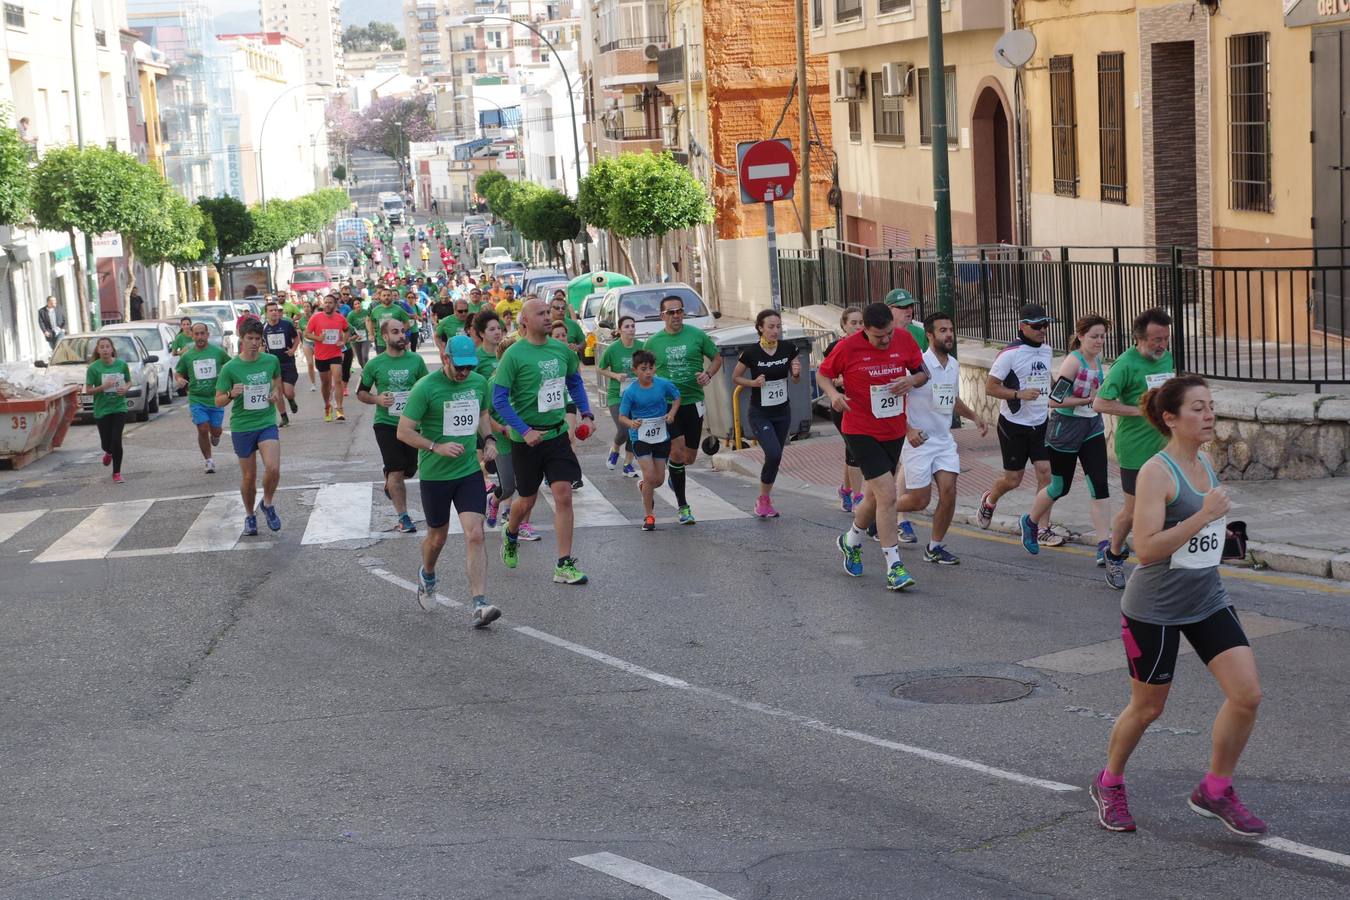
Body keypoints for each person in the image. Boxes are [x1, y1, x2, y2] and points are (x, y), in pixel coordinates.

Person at [1090, 375, 1266, 838]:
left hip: (1207, 598)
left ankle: (1215, 789)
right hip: (1155, 608)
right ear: (1171, 418)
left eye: (1211, 406)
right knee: (1148, 709)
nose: (1209, 415)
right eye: (1198, 408)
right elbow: (1146, 549)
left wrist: (1224, 537)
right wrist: (1203, 516)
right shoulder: (1155, 472)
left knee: (1247, 695)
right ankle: (1109, 782)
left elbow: (1200, 537)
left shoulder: (1205, 462)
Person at [816, 302, 927, 591]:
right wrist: (832, 394)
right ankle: (895, 567)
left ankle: (850, 540)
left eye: (889, 333)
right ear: (865, 329)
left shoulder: (904, 338)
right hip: (859, 429)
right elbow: (822, 374)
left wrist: (910, 380)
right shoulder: (848, 347)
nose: (886, 340)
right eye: (879, 337)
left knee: (875, 497)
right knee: (888, 495)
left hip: (892, 429)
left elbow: (922, 372)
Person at [397, 334, 501, 626]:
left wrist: (489, 438)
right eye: (460, 367)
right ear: (446, 359)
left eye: (469, 367)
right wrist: (435, 446)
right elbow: (403, 431)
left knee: (476, 532)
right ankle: (427, 574)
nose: (465, 373)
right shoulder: (425, 388)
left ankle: (480, 603)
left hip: (468, 471)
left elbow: (482, 413)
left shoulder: (478, 383)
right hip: (435, 475)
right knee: (437, 538)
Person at [492, 298, 595, 585]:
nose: (548, 317)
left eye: (549, 312)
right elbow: (499, 399)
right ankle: (511, 533)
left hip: (556, 434)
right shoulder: (514, 355)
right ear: (524, 321)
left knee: (563, 494)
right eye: (541, 313)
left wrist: (586, 413)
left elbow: (574, 381)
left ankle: (564, 564)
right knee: (526, 500)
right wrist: (524, 430)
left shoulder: (561, 350)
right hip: (526, 440)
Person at [895, 312, 987, 565]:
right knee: (918, 500)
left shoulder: (954, 365)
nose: (949, 334)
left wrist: (974, 416)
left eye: (950, 329)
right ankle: (879, 510)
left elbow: (951, 398)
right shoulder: (916, 366)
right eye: (943, 330)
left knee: (949, 492)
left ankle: (934, 547)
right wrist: (908, 430)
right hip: (919, 442)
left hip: (944, 441)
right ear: (930, 335)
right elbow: (895, 401)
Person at [1094, 307, 1176, 590]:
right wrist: (1140, 411)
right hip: (1135, 451)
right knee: (1132, 512)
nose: (1162, 345)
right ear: (1139, 338)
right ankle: (1114, 555)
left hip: (1166, 448)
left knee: (1169, 505)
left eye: (1165, 338)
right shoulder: (1124, 365)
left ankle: (1159, 562)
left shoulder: (1165, 357)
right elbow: (1100, 403)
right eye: (1156, 339)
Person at [1023, 315, 1112, 560]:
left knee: (1099, 485)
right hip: (1066, 429)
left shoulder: (1099, 359)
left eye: (1102, 336)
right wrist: (1088, 400)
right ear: (1081, 336)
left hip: (1092, 427)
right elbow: (1054, 400)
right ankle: (1030, 522)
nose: (1099, 341)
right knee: (1059, 487)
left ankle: (1104, 546)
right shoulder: (1073, 363)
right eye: (1094, 336)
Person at [977, 303, 1055, 541]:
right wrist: (1018, 394)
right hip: (1013, 424)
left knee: (1046, 472)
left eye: (1046, 325)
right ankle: (990, 500)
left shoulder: (1047, 350)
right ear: (1022, 326)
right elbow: (990, 387)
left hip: (1040, 421)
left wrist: (1057, 389)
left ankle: (1041, 527)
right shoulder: (1009, 353)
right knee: (1013, 479)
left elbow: (1046, 378)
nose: (1042, 330)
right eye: (1037, 326)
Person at [643, 294, 722, 524]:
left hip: (693, 402)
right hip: (667, 406)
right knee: (676, 451)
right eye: (671, 312)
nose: (676, 316)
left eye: (679, 311)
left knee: (688, 458)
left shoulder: (697, 335)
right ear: (662, 316)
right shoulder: (653, 342)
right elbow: (644, 372)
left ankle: (674, 473)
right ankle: (683, 506)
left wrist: (707, 374)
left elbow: (717, 358)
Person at [359, 319, 430, 534]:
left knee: (409, 470)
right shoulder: (375, 364)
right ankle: (403, 517)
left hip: (411, 425)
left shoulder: (416, 361)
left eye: (403, 331)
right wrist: (377, 399)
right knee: (397, 470)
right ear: (385, 337)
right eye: (395, 332)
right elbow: (361, 393)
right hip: (386, 424)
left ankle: (389, 477)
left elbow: (428, 389)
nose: (401, 335)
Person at [215, 319, 283, 536]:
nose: (254, 343)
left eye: (257, 339)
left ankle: (268, 504)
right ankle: (250, 515)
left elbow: (277, 384)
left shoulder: (271, 360)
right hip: (242, 426)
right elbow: (218, 401)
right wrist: (230, 394)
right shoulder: (230, 368)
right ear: (241, 340)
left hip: (266, 422)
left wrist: (275, 395)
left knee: (273, 468)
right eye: (250, 339)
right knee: (249, 478)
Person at [732, 309, 801, 518]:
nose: (775, 331)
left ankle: (764, 499)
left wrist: (796, 373)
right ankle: (762, 499)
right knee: (773, 453)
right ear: (760, 328)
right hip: (760, 413)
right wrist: (753, 383)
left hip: (782, 411)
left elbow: (795, 379)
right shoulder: (751, 353)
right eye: (770, 327)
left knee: (775, 457)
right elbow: (736, 377)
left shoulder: (789, 348)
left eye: (778, 326)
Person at [619, 349, 681, 531]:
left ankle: (643, 486)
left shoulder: (663, 384)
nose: (648, 372)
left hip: (661, 435)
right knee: (650, 475)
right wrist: (632, 422)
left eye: (651, 368)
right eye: (643, 368)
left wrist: (671, 413)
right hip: (640, 437)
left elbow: (677, 398)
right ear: (635, 370)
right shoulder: (631, 392)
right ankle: (649, 516)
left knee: (659, 480)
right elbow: (622, 416)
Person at [885, 289, 927, 541]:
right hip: (887, 406)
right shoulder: (880, 333)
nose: (908, 310)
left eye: (910, 305)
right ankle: (879, 511)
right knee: (888, 466)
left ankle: (899, 518)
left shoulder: (919, 334)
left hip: (913, 403)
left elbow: (923, 369)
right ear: (889, 310)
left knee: (903, 461)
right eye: (902, 307)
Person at [174, 323, 231, 474]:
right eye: (196, 334)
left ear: (207, 334)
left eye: (202, 334)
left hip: (215, 398)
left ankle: (216, 435)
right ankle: (209, 460)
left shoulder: (218, 352)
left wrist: (228, 381)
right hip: (196, 398)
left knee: (216, 430)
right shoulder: (187, 356)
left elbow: (231, 366)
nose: (199, 337)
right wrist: (179, 379)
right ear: (192, 336)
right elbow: (178, 372)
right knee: (202, 427)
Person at [823, 306, 864, 512]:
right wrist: (839, 383)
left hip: (862, 405)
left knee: (852, 450)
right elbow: (825, 376)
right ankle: (857, 496)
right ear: (844, 326)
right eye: (853, 323)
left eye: (861, 323)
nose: (858, 327)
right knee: (854, 449)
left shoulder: (868, 346)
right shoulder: (836, 347)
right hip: (841, 405)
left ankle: (846, 491)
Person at [598, 315, 642, 478]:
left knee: (634, 428)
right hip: (617, 395)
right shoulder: (613, 349)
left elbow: (649, 366)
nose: (631, 329)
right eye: (627, 326)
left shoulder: (641, 347)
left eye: (633, 326)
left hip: (636, 396)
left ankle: (628, 465)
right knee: (623, 429)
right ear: (619, 330)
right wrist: (615, 375)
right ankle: (615, 448)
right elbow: (600, 368)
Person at [84, 336, 131, 483]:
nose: (105, 349)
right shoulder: (93, 368)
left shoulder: (121, 365)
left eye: (107, 347)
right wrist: (103, 387)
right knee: (106, 443)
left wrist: (125, 388)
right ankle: (108, 452)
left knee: (116, 440)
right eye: (102, 347)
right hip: (102, 410)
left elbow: (129, 381)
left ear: (112, 349)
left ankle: (116, 472)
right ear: (98, 350)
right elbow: (89, 390)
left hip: (119, 407)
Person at [306, 293, 350, 422]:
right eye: (325, 302)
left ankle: (340, 409)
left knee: (337, 379)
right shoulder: (315, 318)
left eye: (330, 302)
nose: (327, 304)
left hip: (335, 353)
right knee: (325, 383)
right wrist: (318, 338)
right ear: (322, 304)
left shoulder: (340, 318)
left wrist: (344, 341)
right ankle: (327, 405)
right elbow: (307, 333)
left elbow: (347, 330)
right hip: (321, 355)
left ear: (335, 305)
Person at [262, 301, 301, 426]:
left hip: (287, 362)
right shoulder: (263, 328)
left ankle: (291, 399)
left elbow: (297, 338)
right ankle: (284, 417)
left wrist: (293, 349)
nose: (274, 312)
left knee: (287, 391)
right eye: (271, 310)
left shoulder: (286, 325)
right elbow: (261, 345)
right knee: (278, 391)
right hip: (272, 365)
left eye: (276, 310)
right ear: (266, 313)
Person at [367, 286, 412, 355]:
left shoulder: (398, 309)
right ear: (380, 297)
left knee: (397, 361)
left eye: (388, 295)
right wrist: (371, 334)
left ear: (391, 296)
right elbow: (370, 321)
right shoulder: (375, 310)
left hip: (396, 341)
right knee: (383, 363)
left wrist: (399, 333)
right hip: (381, 342)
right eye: (384, 295)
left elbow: (407, 324)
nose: (386, 297)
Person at [550, 290, 585, 359]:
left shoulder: (573, 325)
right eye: (557, 308)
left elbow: (583, 342)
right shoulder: (545, 325)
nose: (561, 310)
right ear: (551, 309)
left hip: (570, 362)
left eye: (563, 308)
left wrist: (577, 347)